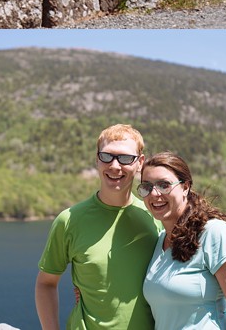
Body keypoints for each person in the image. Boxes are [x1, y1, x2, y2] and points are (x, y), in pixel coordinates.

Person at [35, 124, 161, 330]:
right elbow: (46, 283)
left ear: (140, 163)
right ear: (96, 159)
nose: (114, 166)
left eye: (125, 158)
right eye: (107, 156)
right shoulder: (69, 220)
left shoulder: (155, 217)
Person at [139, 152, 226, 330]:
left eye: (164, 185)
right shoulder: (161, 241)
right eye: (147, 186)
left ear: (185, 187)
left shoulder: (214, 232)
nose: (154, 194)